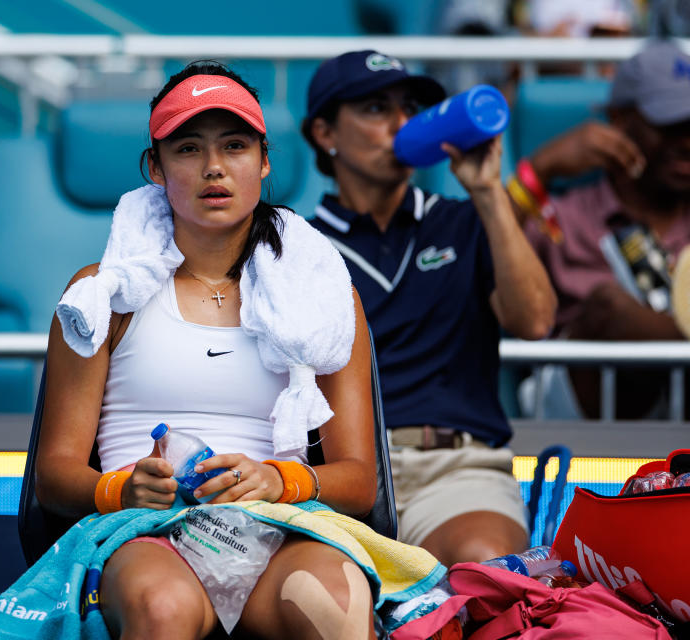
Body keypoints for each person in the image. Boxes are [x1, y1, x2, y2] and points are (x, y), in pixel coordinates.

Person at [35, 61, 386, 640]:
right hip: (143, 529)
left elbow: (359, 481)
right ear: (156, 168)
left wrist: (278, 480)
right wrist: (119, 488)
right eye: (188, 149)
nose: (214, 167)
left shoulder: (325, 296)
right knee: (162, 609)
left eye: (235, 145)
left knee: (337, 605)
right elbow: (53, 474)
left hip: (280, 527)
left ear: (265, 161)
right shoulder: (101, 295)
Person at [300, 50, 557, 567]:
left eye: (411, 109)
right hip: (335, 474)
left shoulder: (463, 219)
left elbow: (535, 321)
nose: (400, 124)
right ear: (325, 134)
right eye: (376, 109)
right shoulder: (293, 245)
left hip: (454, 467)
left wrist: (488, 191)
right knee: (320, 597)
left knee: (485, 567)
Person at [512, 38, 690, 419]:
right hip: (582, 415)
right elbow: (468, 268)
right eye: (671, 126)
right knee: (608, 306)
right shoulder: (563, 215)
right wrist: (541, 169)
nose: (687, 141)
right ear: (620, 121)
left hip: (677, 420)